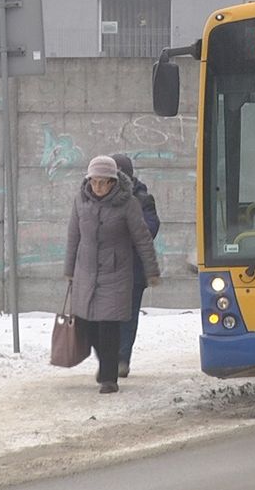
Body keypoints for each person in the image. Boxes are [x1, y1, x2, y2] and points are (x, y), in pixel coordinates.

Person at [64, 155, 160, 394]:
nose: (97, 186)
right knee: (86, 325)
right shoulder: (81, 202)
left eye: (102, 182)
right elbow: (73, 236)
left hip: (116, 272)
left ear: (113, 182)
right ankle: (107, 362)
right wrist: (69, 270)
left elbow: (143, 238)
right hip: (86, 271)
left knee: (109, 326)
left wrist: (152, 271)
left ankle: (109, 377)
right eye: (93, 181)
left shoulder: (128, 204)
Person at [110, 153, 161, 379]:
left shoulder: (141, 198)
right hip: (107, 270)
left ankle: (121, 359)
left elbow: (150, 228)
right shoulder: (98, 197)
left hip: (133, 271)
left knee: (128, 317)